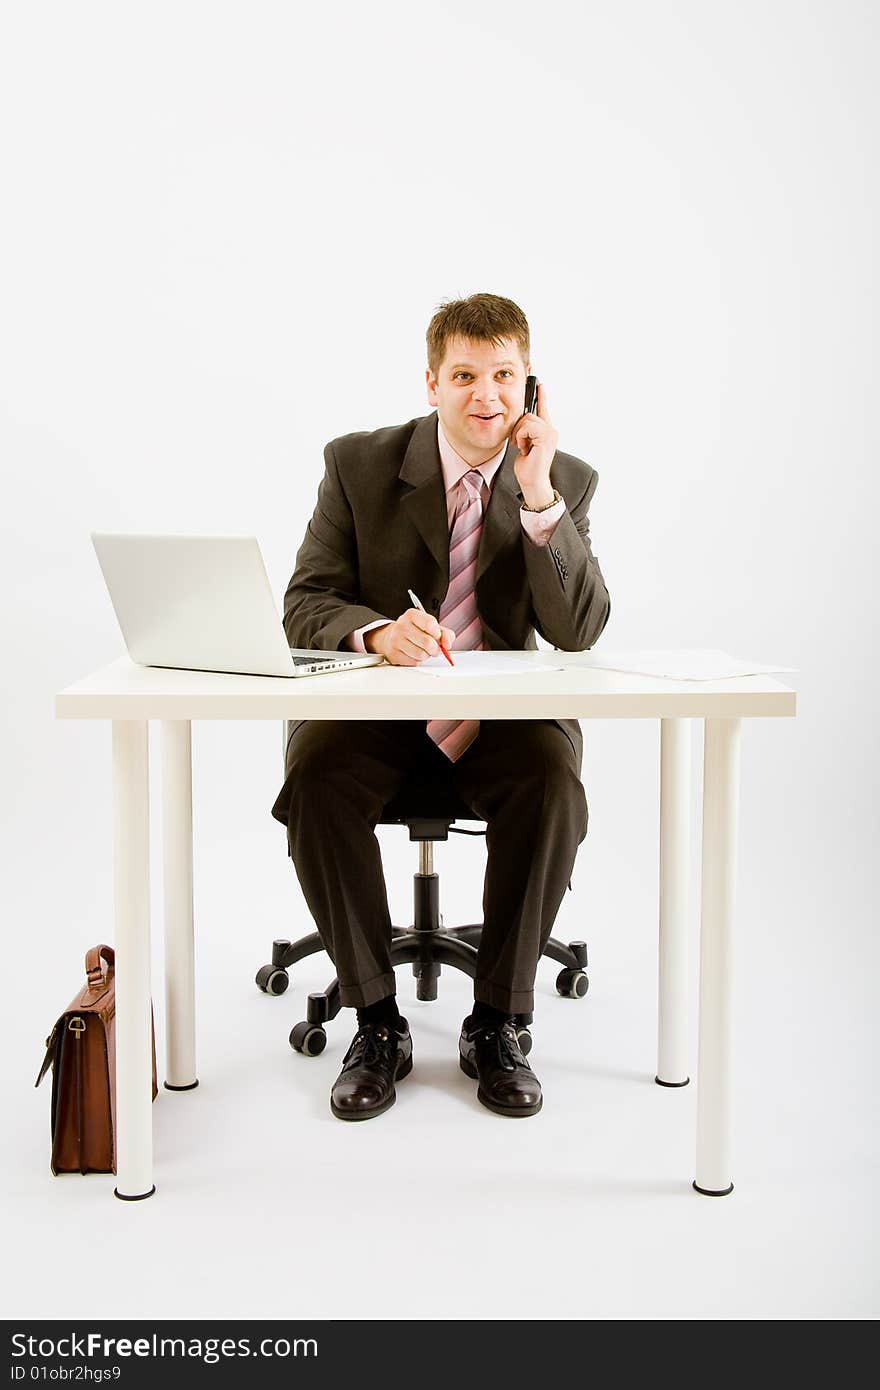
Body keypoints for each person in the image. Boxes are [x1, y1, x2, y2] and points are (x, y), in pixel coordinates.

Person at [271, 292, 610, 1121]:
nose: (484, 395)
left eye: (503, 375)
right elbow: (305, 602)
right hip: (381, 718)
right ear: (432, 382)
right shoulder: (357, 464)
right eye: (464, 375)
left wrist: (536, 501)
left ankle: (498, 1021)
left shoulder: (563, 481)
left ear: (530, 385)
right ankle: (377, 1023)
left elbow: (581, 630)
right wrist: (378, 631)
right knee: (315, 775)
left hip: (500, 724)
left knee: (552, 782)